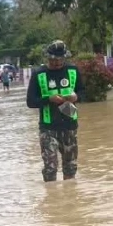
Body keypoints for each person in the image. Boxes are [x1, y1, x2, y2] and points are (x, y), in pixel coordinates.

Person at [26, 40, 82, 181]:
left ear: (65, 57)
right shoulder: (38, 74)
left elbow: (83, 92)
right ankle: (51, 191)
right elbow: (30, 102)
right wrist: (49, 99)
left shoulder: (73, 71)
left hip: (69, 125)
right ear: (48, 57)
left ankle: (69, 192)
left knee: (70, 166)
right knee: (50, 167)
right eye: (53, 59)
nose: (57, 63)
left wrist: (76, 97)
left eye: (60, 59)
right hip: (48, 127)